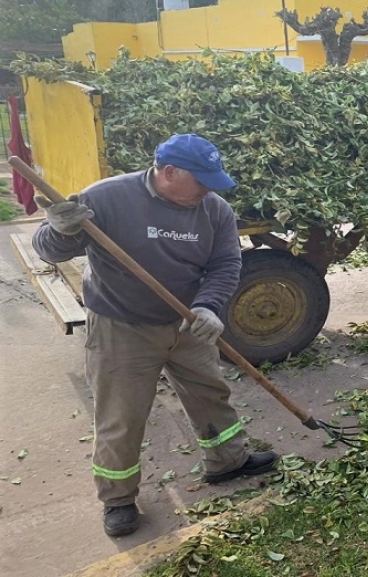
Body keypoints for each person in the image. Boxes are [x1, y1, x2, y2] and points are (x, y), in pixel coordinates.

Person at [32, 133, 279, 537]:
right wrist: (59, 231)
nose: (208, 190)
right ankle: (118, 500)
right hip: (121, 326)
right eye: (200, 180)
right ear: (168, 173)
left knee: (210, 395)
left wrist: (208, 306)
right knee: (121, 417)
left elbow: (225, 264)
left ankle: (227, 461)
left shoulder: (213, 209)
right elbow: (49, 250)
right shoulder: (107, 198)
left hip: (186, 323)